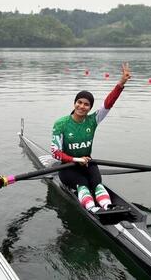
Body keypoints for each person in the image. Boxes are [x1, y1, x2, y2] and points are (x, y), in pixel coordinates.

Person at [51, 63, 131, 213]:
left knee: (97, 183)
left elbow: (108, 103)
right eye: (79, 102)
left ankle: (107, 207)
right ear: (74, 103)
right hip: (67, 167)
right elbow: (55, 152)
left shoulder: (92, 120)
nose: (82, 106)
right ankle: (93, 209)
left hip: (88, 163)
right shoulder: (61, 124)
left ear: (90, 107)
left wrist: (122, 82)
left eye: (86, 104)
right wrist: (76, 159)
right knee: (82, 183)